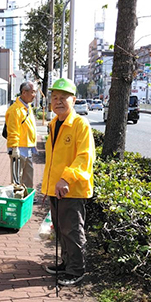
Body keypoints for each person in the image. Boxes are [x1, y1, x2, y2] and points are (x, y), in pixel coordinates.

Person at [41, 77, 95, 286]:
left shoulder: (80, 124)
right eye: (55, 97)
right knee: (61, 229)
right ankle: (66, 262)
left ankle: (76, 269)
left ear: (74, 100)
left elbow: (85, 157)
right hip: (56, 188)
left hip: (71, 188)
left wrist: (66, 178)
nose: (58, 101)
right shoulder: (54, 123)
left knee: (72, 230)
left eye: (63, 97)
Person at [5, 81, 37, 188]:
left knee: (28, 174)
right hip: (18, 148)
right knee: (17, 177)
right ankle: (17, 197)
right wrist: (14, 147)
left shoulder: (27, 107)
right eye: (32, 92)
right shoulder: (15, 110)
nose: (34, 95)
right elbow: (13, 130)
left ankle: (27, 195)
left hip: (27, 147)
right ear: (24, 92)